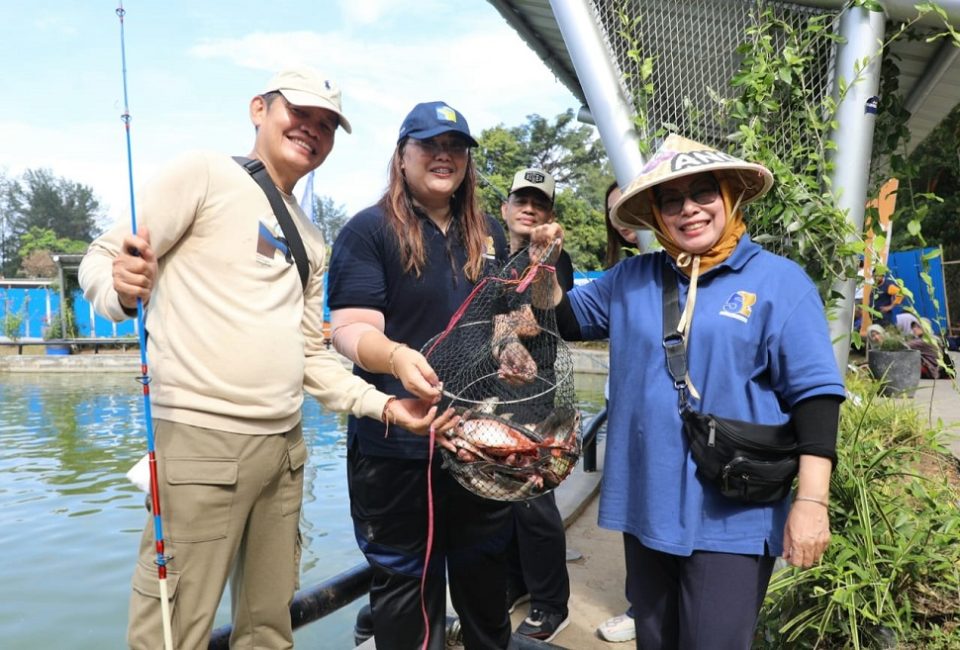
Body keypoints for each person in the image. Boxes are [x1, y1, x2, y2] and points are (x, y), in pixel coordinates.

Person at [78, 68, 437, 650]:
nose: (312, 131)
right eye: (299, 114)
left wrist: (386, 406)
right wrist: (120, 288)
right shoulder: (204, 173)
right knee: (171, 632)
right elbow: (103, 256)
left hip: (285, 453)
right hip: (200, 445)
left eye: (326, 126)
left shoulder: (312, 239)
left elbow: (309, 356)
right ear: (258, 110)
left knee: (269, 629)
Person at [531, 134, 846, 649]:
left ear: (730, 196)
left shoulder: (780, 282)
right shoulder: (629, 278)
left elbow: (816, 396)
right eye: (671, 200)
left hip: (734, 513)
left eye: (704, 192)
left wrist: (812, 502)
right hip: (646, 506)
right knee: (656, 641)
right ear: (655, 215)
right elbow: (563, 318)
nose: (689, 209)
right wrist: (543, 263)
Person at [326, 101, 513, 650]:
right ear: (403, 155)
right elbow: (350, 330)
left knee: (485, 584)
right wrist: (396, 358)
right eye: (429, 144)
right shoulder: (368, 230)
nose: (444, 156)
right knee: (408, 595)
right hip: (399, 449)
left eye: (455, 147)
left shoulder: (489, 232)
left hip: (478, 446)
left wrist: (510, 345)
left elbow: (500, 318)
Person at [498, 168, 572, 643]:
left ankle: (551, 602)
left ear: (549, 215)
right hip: (493, 387)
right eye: (521, 200)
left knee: (533, 494)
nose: (529, 208)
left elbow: (535, 315)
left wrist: (501, 327)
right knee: (498, 490)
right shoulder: (492, 253)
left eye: (539, 203)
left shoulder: (551, 256)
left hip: (534, 388)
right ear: (504, 208)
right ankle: (518, 582)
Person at [595, 181, 639, 645]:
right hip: (623, 401)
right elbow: (564, 315)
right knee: (633, 508)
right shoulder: (622, 275)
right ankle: (639, 604)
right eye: (615, 212)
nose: (623, 218)